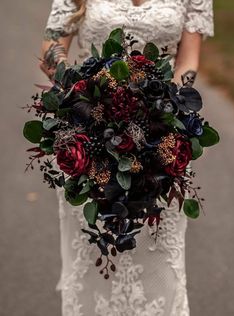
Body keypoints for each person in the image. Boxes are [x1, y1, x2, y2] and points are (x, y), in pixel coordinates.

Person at [40, 1, 214, 315]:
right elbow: (53, 46)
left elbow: (187, 62)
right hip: (89, 143)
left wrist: (157, 111)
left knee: (159, 261)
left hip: (159, 144)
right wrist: (86, 100)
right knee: (94, 259)